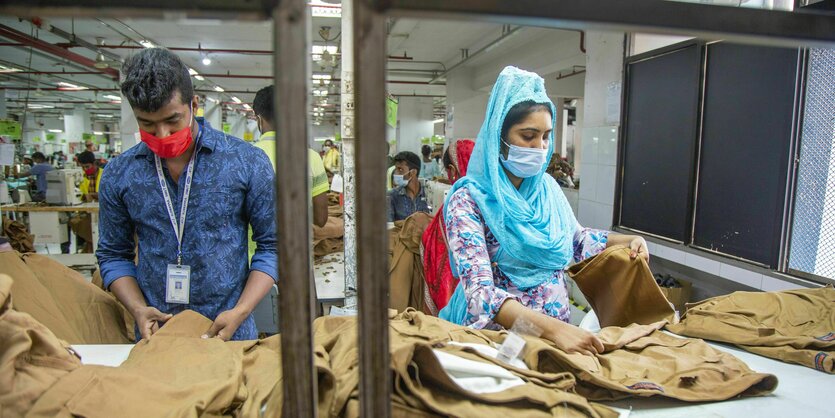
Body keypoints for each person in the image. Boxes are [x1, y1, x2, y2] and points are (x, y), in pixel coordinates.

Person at [439, 67, 649, 356]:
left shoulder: (547, 189)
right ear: (498, 136)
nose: (540, 147)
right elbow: (480, 295)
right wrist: (554, 330)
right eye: (528, 136)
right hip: (501, 343)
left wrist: (624, 241)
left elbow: (575, 242)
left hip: (558, 339)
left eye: (546, 136)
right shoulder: (470, 199)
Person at [96, 48, 277, 341]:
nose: (163, 134)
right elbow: (113, 254)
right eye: (148, 124)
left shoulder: (245, 162)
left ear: (194, 104)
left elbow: (273, 246)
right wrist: (137, 308)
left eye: (172, 120)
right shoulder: (120, 173)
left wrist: (242, 311)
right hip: (157, 336)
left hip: (229, 332)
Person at [252, 85, 329, 228]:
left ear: (259, 119)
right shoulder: (311, 157)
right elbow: (321, 219)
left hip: (253, 248)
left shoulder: (244, 156)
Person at [421, 139, 475, 315]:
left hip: (459, 299)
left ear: (452, 171)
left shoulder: (456, 204)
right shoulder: (498, 200)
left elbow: (434, 250)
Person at [387, 151, 431, 222]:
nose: (395, 173)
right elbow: (390, 227)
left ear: (413, 172)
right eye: (396, 169)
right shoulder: (392, 196)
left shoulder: (429, 195)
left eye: (400, 170)